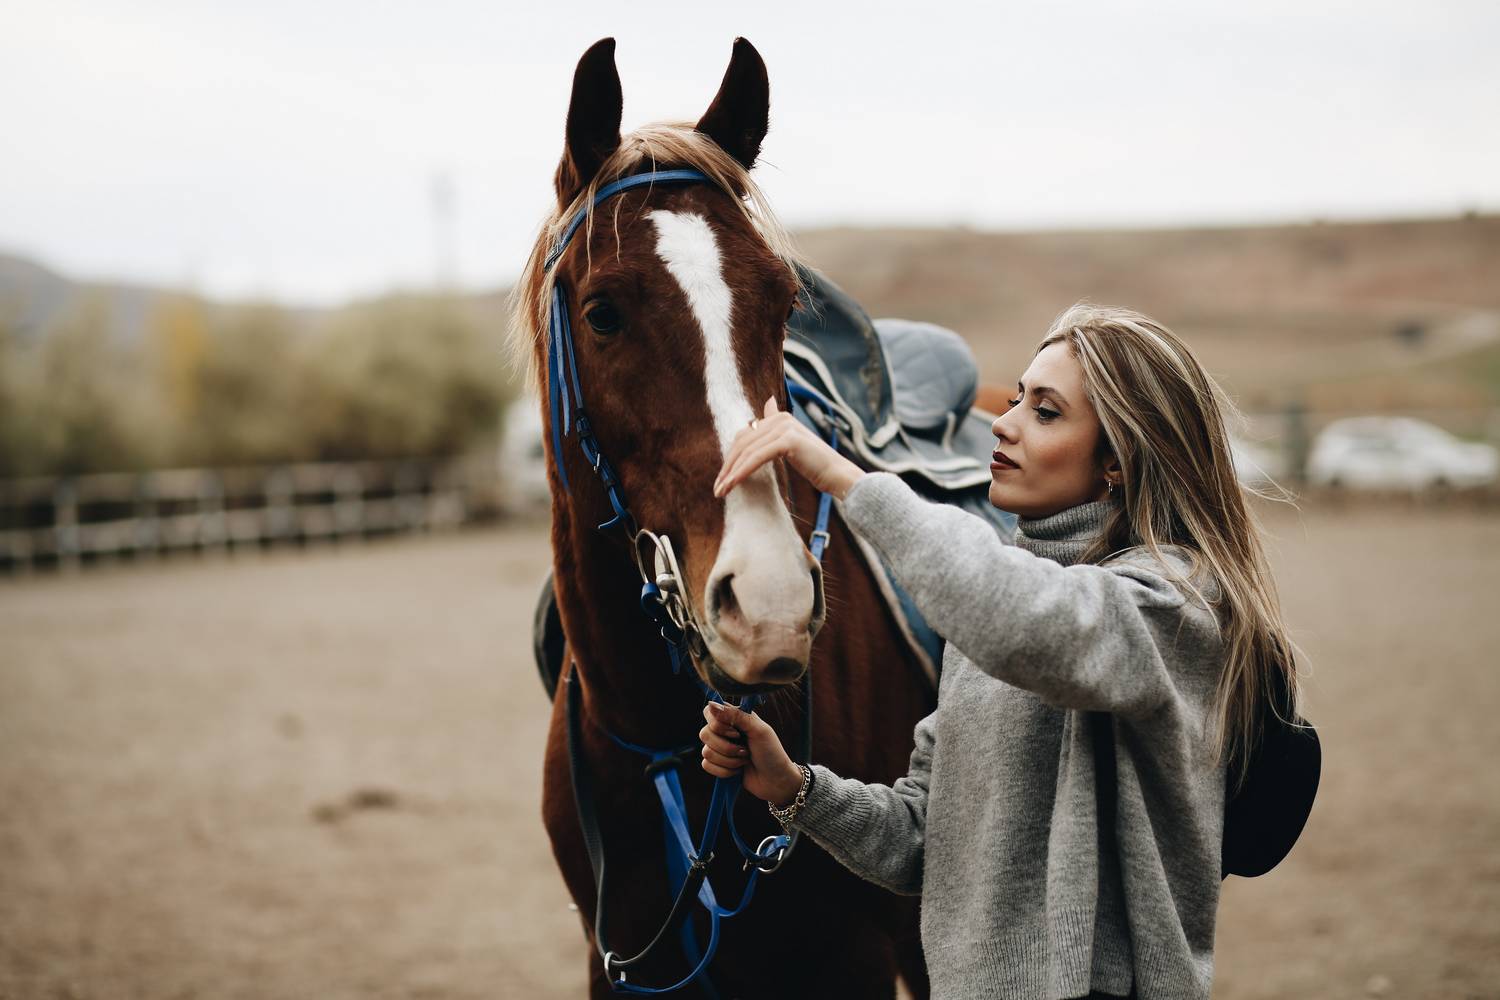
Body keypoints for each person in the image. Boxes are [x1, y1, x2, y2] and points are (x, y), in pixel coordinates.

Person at [704, 303, 1300, 1000]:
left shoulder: (1176, 604)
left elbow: (1021, 618)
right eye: (1016, 398)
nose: (1001, 422)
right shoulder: (992, 612)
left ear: (1116, 460)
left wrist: (846, 478)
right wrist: (797, 790)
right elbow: (925, 842)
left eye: (1045, 412)